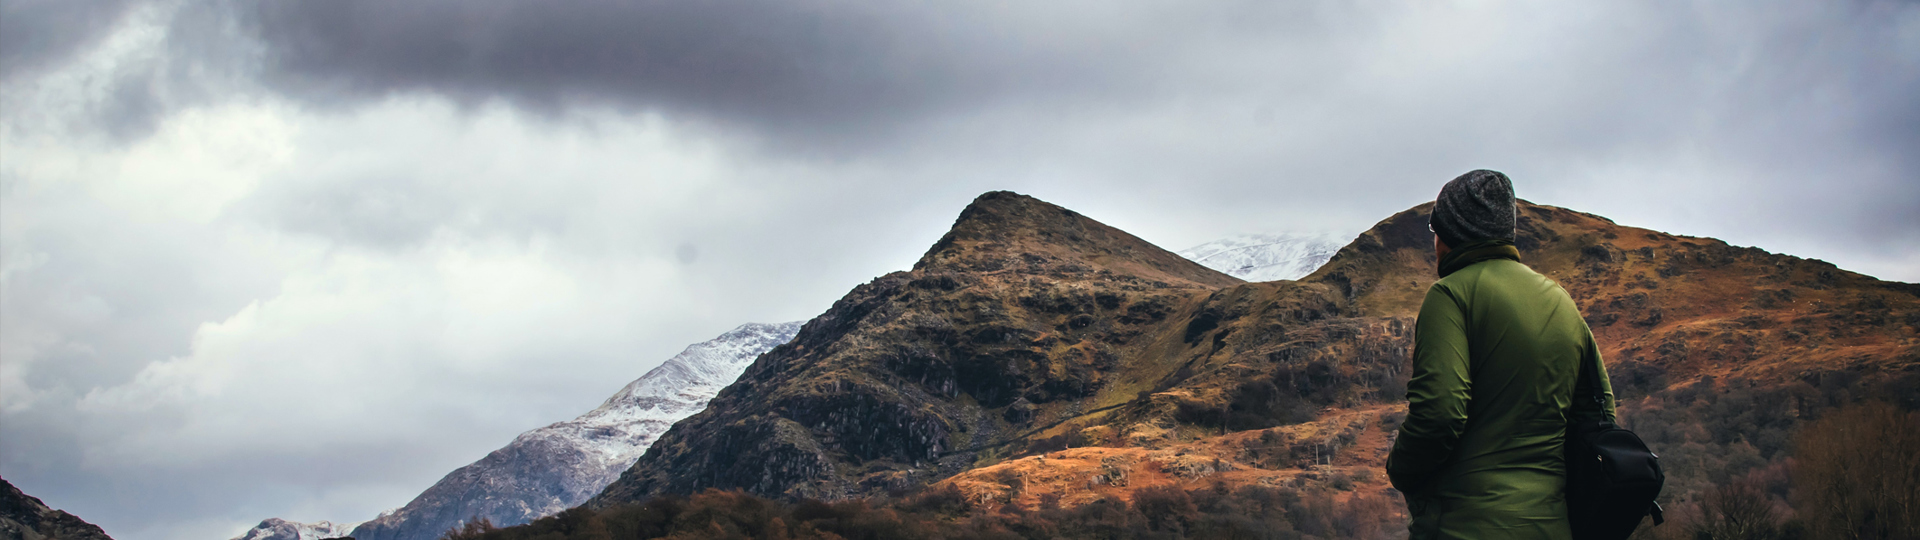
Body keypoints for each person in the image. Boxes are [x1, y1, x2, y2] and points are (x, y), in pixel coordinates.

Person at [1385, 170, 1616, 539]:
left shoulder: (1450, 296)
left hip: (1465, 526)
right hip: (1551, 526)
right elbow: (1599, 411)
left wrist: (1401, 470)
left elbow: (1441, 412)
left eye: (1435, 231)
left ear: (1450, 234)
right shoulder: (1559, 299)